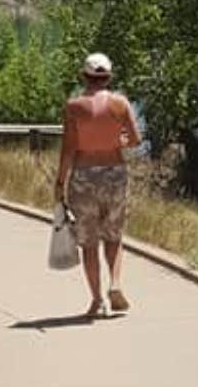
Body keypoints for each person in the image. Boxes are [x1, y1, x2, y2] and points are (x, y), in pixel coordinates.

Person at [54, 52, 141, 320]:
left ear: (84, 77)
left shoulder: (74, 107)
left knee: (89, 241)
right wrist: (119, 141)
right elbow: (135, 140)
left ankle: (97, 300)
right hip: (114, 173)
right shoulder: (120, 104)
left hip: (84, 176)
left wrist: (60, 182)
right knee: (113, 235)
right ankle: (115, 283)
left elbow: (68, 149)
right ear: (109, 78)